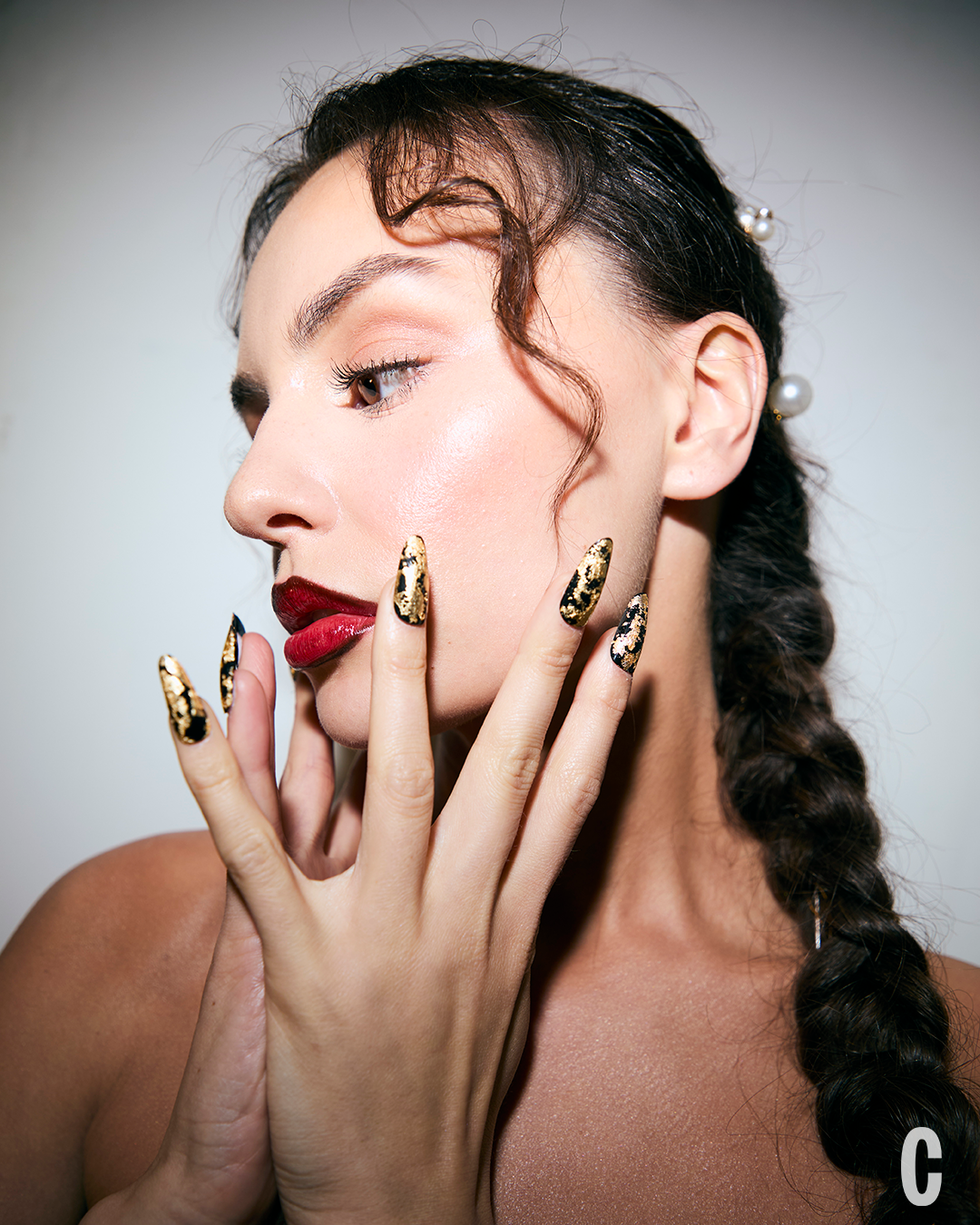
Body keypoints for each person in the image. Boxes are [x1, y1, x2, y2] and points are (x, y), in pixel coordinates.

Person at [1, 54, 978, 1225]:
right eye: (258, 413)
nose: (250, 494)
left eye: (374, 374)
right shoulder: (114, 955)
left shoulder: (946, 1062)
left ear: (699, 405)